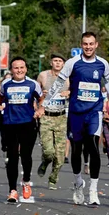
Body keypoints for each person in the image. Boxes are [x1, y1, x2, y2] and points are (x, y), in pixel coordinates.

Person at [44, 32, 109, 207]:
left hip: (94, 111)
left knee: (93, 146)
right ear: (81, 45)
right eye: (85, 44)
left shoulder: (102, 64)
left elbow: (108, 82)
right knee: (76, 150)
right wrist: (44, 104)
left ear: (96, 45)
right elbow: (59, 83)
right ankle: (78, 183)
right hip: (76, 112)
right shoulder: (72, 63)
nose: (88, 47)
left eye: (91, 44)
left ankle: (93, 189)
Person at [0, 57, 44, 202]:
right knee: (12, 157)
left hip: (28, 124)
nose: (19, 70)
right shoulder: (6, 84)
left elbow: (42, 98)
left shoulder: (33, 84)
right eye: (16, 68)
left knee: (26, 156)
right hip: (10, 124)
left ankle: (26, 181)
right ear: (12, 70)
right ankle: (12, 190)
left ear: (25, 69)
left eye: (21, 67)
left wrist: (40, 109)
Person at [37, 54, 70, 190]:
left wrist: (68, 92)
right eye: (55, 61)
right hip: (46, 117)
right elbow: (34, 92)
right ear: (51, 63)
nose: (57, 63)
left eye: (60, 61)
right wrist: (41, 95)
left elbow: (75, 91)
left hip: (61, 117)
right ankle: (45, 162)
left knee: (60, 154)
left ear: (63, 64)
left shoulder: (68, 78)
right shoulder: (43, 76)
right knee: (49, 151)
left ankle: (53, 178)